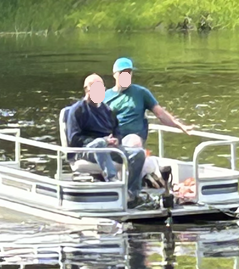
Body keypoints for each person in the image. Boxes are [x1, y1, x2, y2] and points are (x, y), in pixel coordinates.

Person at [66, 74, 149, 208]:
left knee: (138, 153)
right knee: (100, 143)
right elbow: (74, 139)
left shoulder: (107, 110)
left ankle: (131, 194)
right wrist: (103, 140)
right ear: (87, 90)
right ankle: (113, 182)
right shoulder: (77, 110)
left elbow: (117, 131)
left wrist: (116, 140)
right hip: (85, 150)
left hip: (109, 148)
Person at [104, 58, 195, 144]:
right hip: (114, 138)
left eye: (128, 73)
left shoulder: (141, 93)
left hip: (134, 137)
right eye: (122, 73)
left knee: (133, 141)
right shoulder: (105, 96)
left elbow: (160, 114)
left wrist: (181, 126)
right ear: (114, 75)